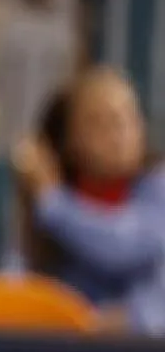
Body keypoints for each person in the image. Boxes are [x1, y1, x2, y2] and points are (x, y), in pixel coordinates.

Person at [11, 66, 165, 337]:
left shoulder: (156, 189)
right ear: (68, 140)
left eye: (128, 117)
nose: (119, 133)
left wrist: (52, 201)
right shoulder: (49, 207)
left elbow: (122, 248)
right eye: (99, 122)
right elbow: (21, 279)